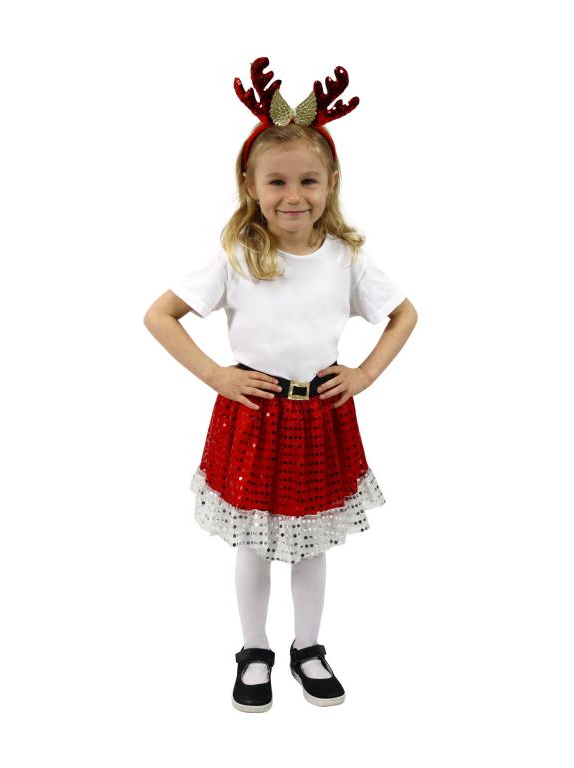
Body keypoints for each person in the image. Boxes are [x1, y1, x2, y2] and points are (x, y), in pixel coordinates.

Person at [143, 57, 417, 712]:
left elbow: (404, 314)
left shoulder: (347, 257)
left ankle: (308, 647)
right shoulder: (236, 257)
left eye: (308, 181)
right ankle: (254, 650)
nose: (294, 195)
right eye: (277, 181)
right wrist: (217, 375)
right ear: (250, 184)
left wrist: (365, 373)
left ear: (330, 183)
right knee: (253, 543)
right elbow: (160, 316)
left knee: (311, 544)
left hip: (319, 415)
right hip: (254, 416)